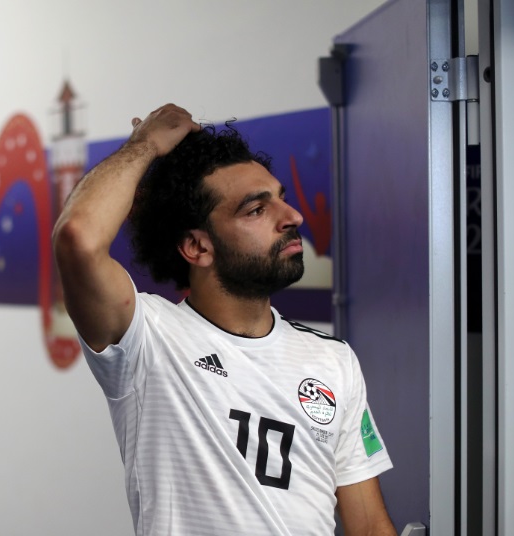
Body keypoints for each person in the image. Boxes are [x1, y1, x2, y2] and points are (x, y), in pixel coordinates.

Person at [52, 104, 396, 535]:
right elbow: (78, 238)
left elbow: (370, 527)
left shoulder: (334, 360)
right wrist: (145, 145)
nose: (292, 217)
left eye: (281, 198)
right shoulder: (148, 340)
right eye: (256, 210)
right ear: (197, 247)